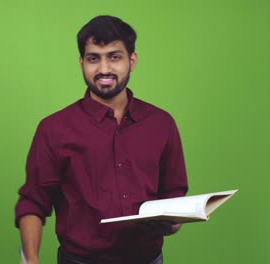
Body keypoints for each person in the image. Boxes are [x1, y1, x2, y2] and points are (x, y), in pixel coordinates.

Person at [15, 15, 188, 264]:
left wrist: (173, 223)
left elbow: (174, 192)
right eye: (93, 58)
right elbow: (33, 202)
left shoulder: (161, 123)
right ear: (81, 62)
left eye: (114, 57)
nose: (104, 69)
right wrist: (30, 259)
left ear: (132, 60)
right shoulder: (53, 129)